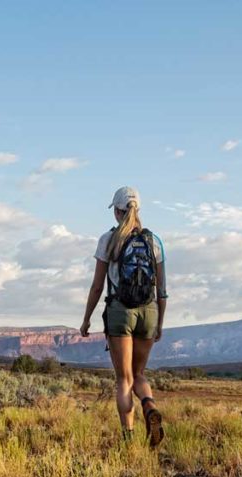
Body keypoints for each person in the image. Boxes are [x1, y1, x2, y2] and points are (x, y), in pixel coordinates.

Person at [80, 186, 168, 447]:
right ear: (137, 209)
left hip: (120, 310)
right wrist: (159, 323)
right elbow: (162, 289)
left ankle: (128, 439)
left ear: (117, 212)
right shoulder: (154, 241)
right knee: (139, 374)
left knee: (124, 379)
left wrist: (86, 319)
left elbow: (97, 286)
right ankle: (149, 406)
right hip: (149, 311)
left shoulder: (108, 240)